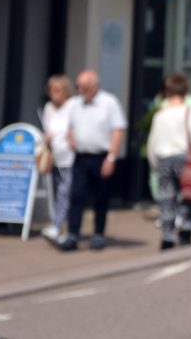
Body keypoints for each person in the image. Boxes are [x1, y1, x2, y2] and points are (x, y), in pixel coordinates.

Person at [61, 69, 127, 251]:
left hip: (101, 156)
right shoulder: (75, 104)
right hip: (81, 157)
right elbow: (69, 125)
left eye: (84, 87)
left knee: (101, 196)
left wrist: (111, 157)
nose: (80, 91)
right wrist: (70, 137)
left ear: (94, 86)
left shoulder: (109, 103)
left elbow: (118, 130)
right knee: (76, 195)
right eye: (78, 87)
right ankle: (72, 233)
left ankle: (98, 233)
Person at [146, 73, 191, 250]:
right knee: (189, 194)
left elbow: (152, 142)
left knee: (166, 197)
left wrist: (154, 163)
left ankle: (167, 235)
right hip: (184, 158)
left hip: (164, 158)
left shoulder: (160, 114)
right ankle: (186, 229)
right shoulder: (189, 111)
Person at [40, 75, 74, 242]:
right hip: (55, 158)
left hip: (70, 157)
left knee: (65, 192)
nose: (54, 94)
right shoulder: (49, 108)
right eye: (51, 90)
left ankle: (58, 225)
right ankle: (60, 225)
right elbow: (48, 129)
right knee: (59, 192)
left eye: (58, 90)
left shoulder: (73, 107)